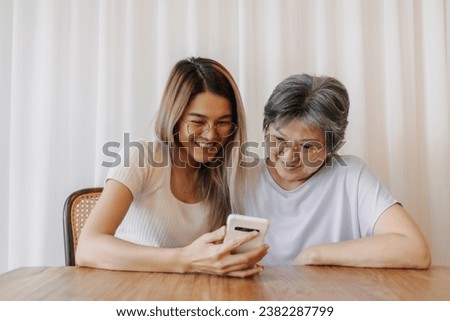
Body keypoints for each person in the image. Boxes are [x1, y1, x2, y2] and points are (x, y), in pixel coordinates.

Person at [76, 57, 268, 277]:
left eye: (223, 122)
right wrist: (185, 259)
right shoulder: (141, 157)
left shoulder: (227, 172)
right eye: (197, 122)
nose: (211, 135)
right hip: (131, 292)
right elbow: (87, 248)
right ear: (174, 118)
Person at [245, 73, 431, 269]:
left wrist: (315, 255)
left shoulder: (350, 176)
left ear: (332, 148)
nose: (290, 157)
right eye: (279, 140)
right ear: (265, 130)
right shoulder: (242, 178)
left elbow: (415, 250)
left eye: (307, 147)